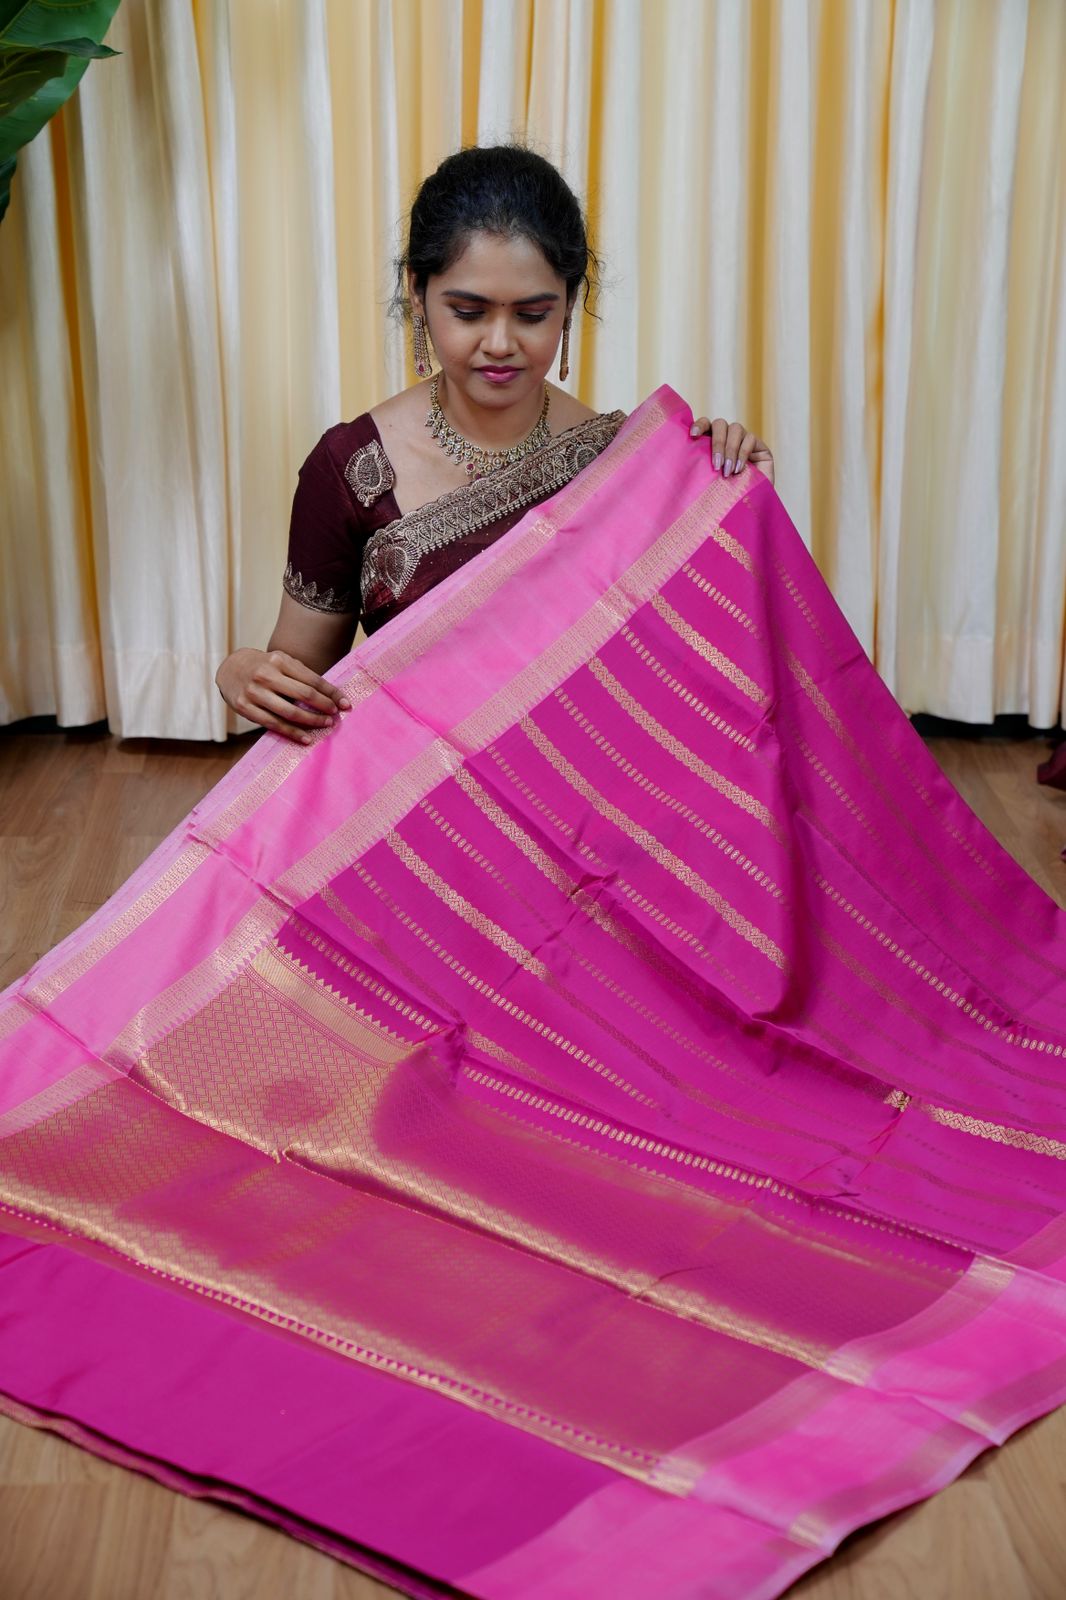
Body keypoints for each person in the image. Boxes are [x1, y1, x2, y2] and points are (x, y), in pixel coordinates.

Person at [215, 145, 774, 741]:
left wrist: (730, 502)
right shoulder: (350, 468)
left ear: (568, 304)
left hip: (599, 800)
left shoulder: (628, 465)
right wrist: (241, 672)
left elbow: (700, 675)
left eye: (532, 315)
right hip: (421, 799)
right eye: (469, 312)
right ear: (417, 292)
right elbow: (303, 684)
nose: (500, 343)